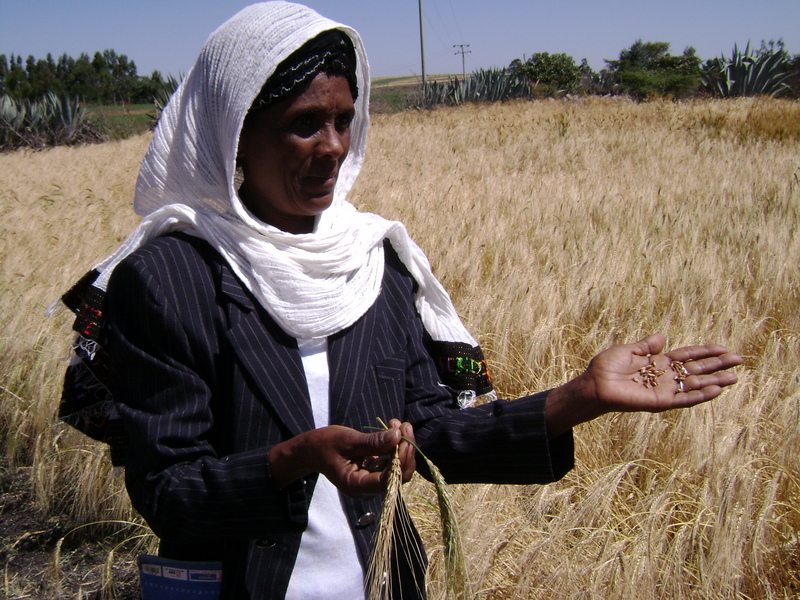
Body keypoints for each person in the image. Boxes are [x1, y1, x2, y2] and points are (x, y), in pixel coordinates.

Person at [52, 3, 741, 599]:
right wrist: (294, 459)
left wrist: (578, 398)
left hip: (383, 582)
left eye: (345, 119)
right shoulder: (172, 277)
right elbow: (170, 493)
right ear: (236, 133)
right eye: (305, 123)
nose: (333, 147)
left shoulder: (372, 261)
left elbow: (432, 431)